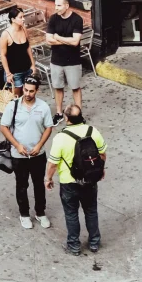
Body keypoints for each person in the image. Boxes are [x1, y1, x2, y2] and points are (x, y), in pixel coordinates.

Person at [46, 105, 107, 256]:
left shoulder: (60, 137)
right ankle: (94, 242)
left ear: (66, 119)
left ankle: (74, 245)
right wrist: (101, 169)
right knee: (91, 211)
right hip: (90, 179)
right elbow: (102, 154)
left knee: (71, 214)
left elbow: (53, 164)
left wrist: (48, 178)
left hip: (69, 182)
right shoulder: (92, 131)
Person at [0, 76, 53, 230]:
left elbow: (48, 127)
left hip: (38, 154)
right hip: (19, 155)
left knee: (39, 185)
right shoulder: (13, 106)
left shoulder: (43, 107)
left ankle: (40, 213)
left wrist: (40, 145)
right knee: (21, 185)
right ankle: (24, 214)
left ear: (37, 91)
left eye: (31, 91)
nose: (28, 93)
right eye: (26, 90)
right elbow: (4, 127)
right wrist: (17, 145)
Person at [46, 0, 84, 124]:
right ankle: (59, 113)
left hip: (73, 60)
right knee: (58, 87)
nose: (56, 8)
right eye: (55, 5)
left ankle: (78, 114)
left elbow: (75, 42)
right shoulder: (53, 19)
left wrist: (58, 37)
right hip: (56, 60)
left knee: (75, 87)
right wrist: (65, 40)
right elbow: (48, 40)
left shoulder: (77, 19)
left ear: (67, 6)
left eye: (59, 5)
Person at [0, 7, 35, 97]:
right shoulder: (5, 34)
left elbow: (28, 47)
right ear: (13, 19)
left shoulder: (24, 29)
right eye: (21, 17)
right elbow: (3, 55)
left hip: (27, 69)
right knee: (16, 98)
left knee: (27, 96)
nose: (23, 19)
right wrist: (8, 74)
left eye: (23, 16)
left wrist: (33, 65)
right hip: (14, 72)